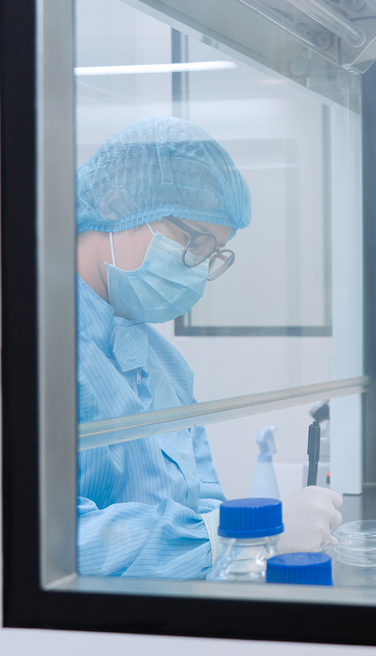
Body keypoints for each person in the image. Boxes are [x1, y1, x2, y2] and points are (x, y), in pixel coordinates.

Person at [75, 116, 342, 578]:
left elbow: (202, 503)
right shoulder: (32, 350)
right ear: (116, 204)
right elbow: (49, 539)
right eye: (191, 241)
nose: (197, 268)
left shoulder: (166, 366)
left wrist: (242, 538)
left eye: (212, 253)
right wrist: (245, 534)